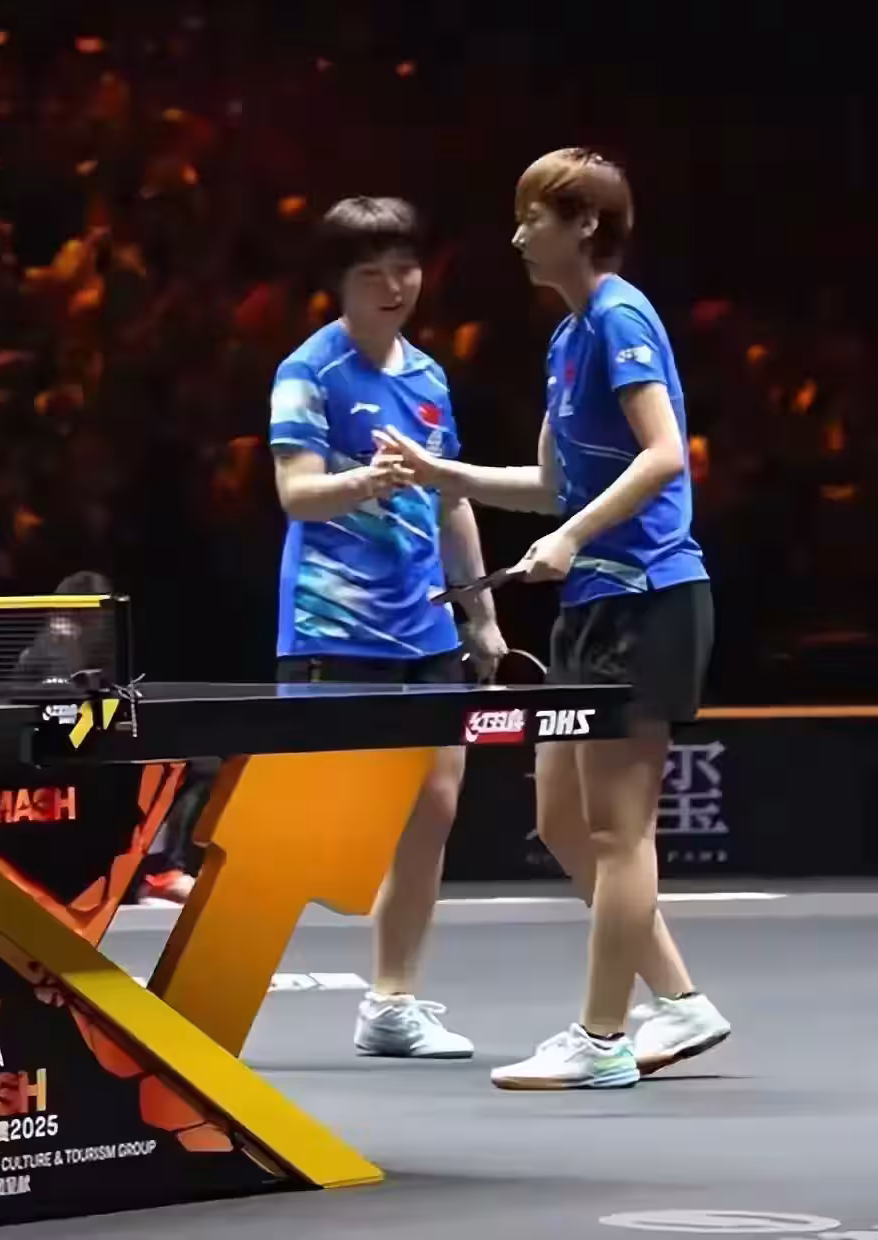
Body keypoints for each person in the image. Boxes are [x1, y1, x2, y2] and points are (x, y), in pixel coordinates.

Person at [374, 149, 730, 1089]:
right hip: (593, 604)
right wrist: (441, 473)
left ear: (584, 225)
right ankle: (682, 1003)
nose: (518, 234)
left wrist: (572, 536)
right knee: (562, 820)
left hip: (647, 596)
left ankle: (603, 1040)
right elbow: (548, 482)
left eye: (535, 215)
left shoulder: (620, 317)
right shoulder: (568, 339)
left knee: (618, 831)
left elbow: (664, 455)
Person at [268, 196, 508, 1059]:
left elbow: (451, 500)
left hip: (426, 629)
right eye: (372, 273)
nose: (394, 286)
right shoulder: (309, 372)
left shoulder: (429, 377)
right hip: (333, 628)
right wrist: (366, 483)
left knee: (435, 808)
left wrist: (480, 612)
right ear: (338, 283)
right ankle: (210, 974)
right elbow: (297, 493)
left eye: (405, 268)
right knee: (311, 833)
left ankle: (392, 1001)